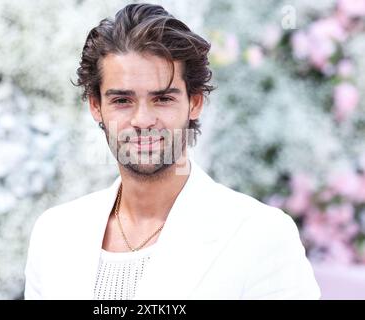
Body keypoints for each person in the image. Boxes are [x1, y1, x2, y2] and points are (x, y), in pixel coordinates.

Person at [24, 3, 320, 300]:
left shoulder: (261, 235)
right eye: (122, 100)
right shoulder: (54, 234)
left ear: (194, 103)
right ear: (95, 106)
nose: (142, 120)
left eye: (162, 98)